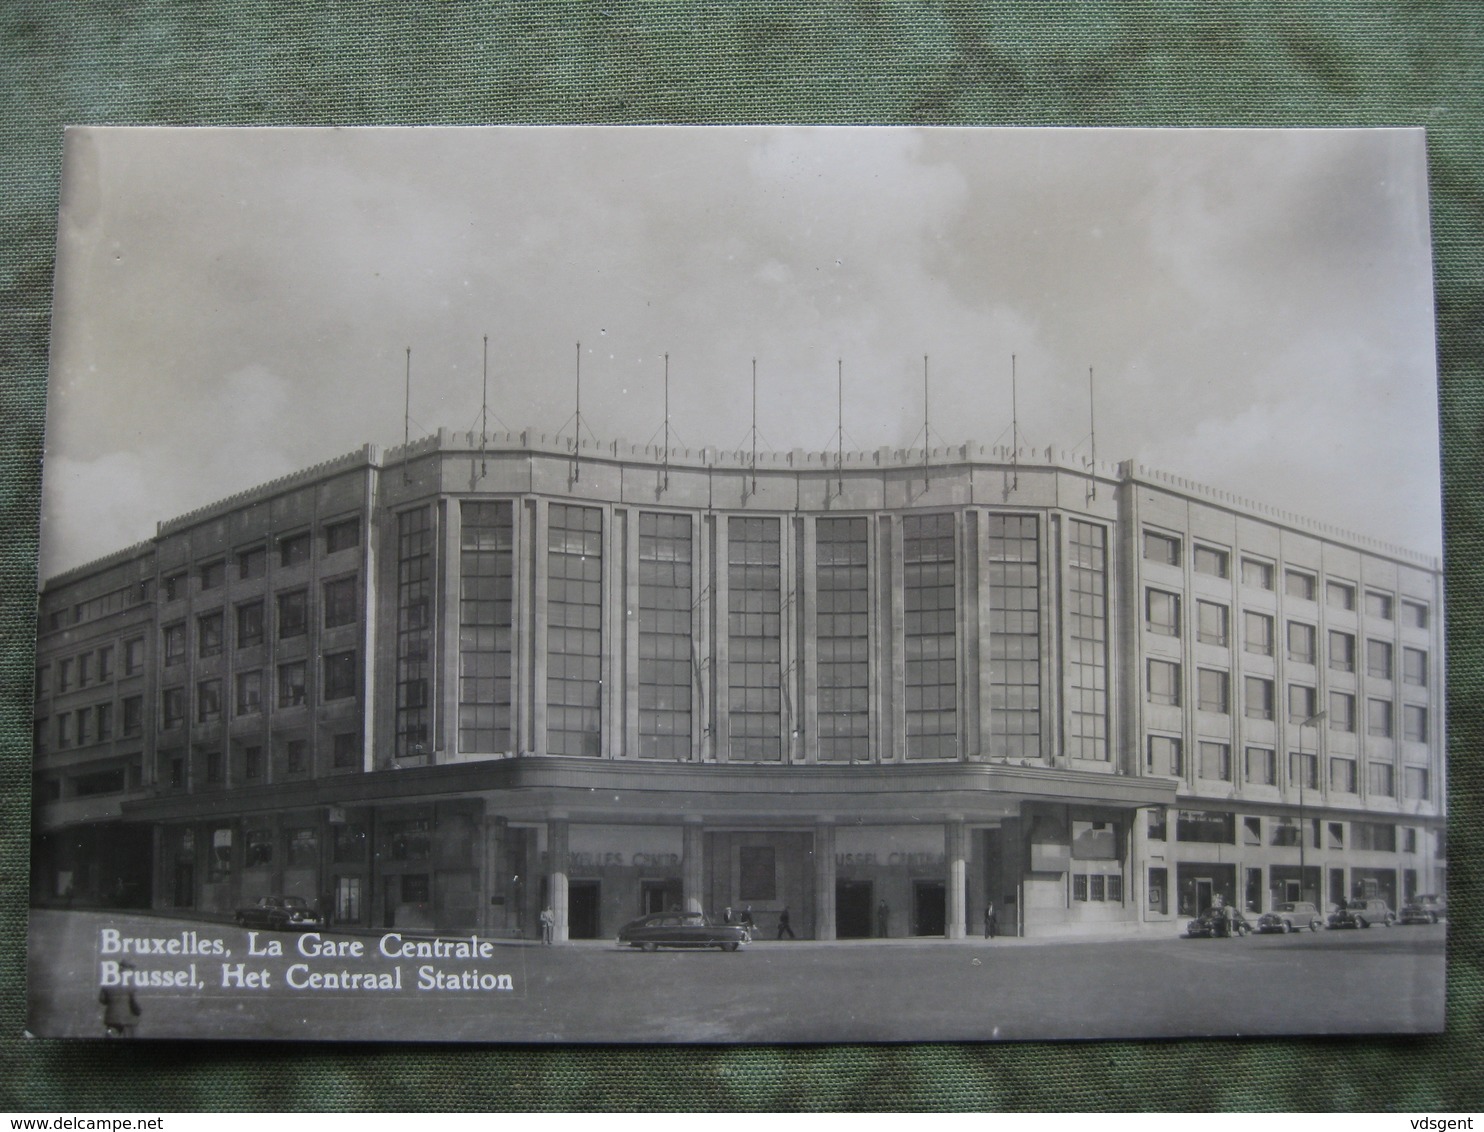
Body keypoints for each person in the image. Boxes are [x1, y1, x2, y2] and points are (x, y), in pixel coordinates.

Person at [100, 963, 141, 1038]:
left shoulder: (109, 979)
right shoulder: (131, 981)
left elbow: (102, 1000)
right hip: (128, 1019)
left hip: (112, 1018)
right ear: (128, 969)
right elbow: (135, 1001)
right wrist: (138, 1011)